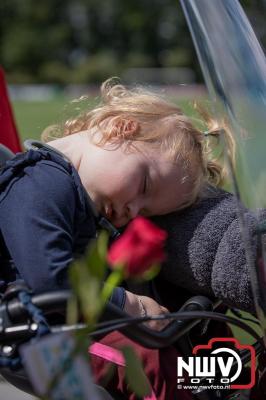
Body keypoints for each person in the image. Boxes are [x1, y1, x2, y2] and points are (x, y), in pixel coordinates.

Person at [0, 78, 238, 399]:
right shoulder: (40, 181)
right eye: (143, 187)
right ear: (119, 129)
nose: (134, 210)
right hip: (33, 343)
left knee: (205, 344)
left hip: (69, 329)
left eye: (146, 211)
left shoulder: (85, 200)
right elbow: (50, 279)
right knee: (146, 360)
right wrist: (131, 304)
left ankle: (228, 388)